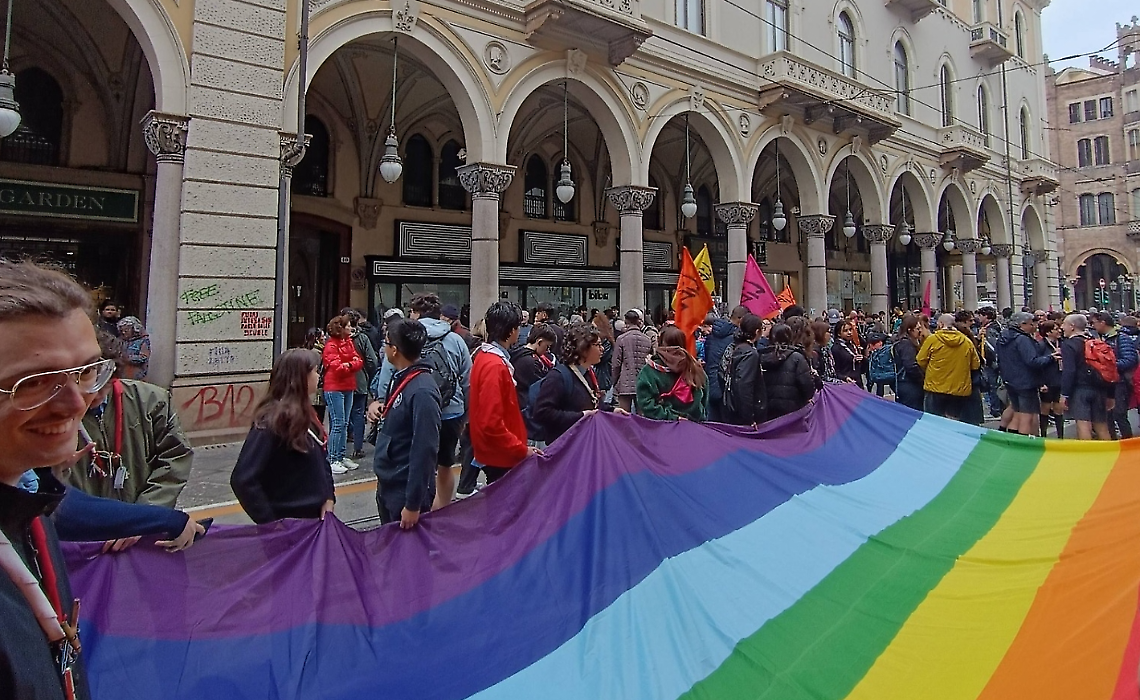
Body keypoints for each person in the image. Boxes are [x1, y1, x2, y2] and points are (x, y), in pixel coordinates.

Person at [0, 260, 203, 700]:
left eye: (87, 371)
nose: (76, 402)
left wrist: (156, 520)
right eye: (34, 383)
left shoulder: (31, 494)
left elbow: (67, 509)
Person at [370, 293, 471, 510]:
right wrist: (466, 414)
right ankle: (440, 511)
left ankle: (415, 502)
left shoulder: (406, 336)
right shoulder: (455, 339)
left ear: (416, 313)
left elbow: (388, 374)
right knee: (445, 464)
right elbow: (467, 379)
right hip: (451, 412)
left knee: (415, 458)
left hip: (411, 409)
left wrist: (381, 402)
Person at [69, 330, 194, 507]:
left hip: (141, 520)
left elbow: (175, 458)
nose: (94, 393)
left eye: (104, 383)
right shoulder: (60, 413)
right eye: (87, 381)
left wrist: (144, 515)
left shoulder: (152, 401)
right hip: (85, 525)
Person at [230, 349, 335, 524]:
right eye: (315, 371)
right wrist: (271, 524)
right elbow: (243, 478)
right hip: (289, 526)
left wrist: (328, 496)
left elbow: (321, 458)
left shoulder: (306, 414)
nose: (319, 377)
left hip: (315, 520)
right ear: (300, 377)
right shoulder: (273, 420)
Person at [370, 319, 442, 528]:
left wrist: (413, 503)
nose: (383, 349)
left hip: (404, 488)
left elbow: (425, 448)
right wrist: (379, 406)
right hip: (390, 481)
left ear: (394, 350)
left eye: (386, 343)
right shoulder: (402, 377)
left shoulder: (422, 391)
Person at [469, 302, 540, 484]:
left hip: (496, 451)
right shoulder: (495, 365)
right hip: (501, 454)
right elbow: (491, 422)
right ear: (511, 331)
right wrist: (520, 449)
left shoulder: (485, 357)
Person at [533, 323, 624, 443]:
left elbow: (593, 404)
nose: (602, 349)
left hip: (582, 444)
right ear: (583, 349)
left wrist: (612, 410)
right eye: (597, 345)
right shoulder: (558, 377)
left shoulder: (587, 373)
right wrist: (580, 416)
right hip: (563, 448)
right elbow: (542, 412)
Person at [995, 311, 1056, 436]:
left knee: (1017, 411)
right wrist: (1051, 358)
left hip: (1010, 379)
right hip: (1026, 381)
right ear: (1022, 324)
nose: (1034, 326)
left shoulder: (1003, 337)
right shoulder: (1022, 339)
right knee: (1026, 415)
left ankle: (1012, 439)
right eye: (1031, 324)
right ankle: (1023, 442)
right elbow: (1032, 361)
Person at [635, 325, 708, 422]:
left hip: (662, 430)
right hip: (694, 428)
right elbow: (704, 400)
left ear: (660, 343)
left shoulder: (649, 371)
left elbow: (646, 404)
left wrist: (670, 417)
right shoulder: (696, 369)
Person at [917, 314, 981, 420]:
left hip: (935, 387)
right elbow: (975, 365)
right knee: (954, 421)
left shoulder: (932, 340)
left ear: (941, 324)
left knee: (933, 421)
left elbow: (920, 360)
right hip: (959, 389)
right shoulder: (966, 341)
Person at [321, 314, 363, 474]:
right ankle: (333, 458)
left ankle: (340, 455)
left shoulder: (348, 342)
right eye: (348, 326)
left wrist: (349, 364)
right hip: (334, 387)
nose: (351, 328)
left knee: (344, 423)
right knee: (338, 423)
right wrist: (351, 364)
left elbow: (358, 361)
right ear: (341, 328)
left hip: (348, 386)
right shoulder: (331, 345)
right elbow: (337, 367)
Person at [1060, 314, 1111, 440]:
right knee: (1102, 426)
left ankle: (1087, 457)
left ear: (1072, 327)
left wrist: (1064, 394)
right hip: (1099, 387)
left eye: (1064, 324)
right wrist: (1111, 394)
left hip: (1080, 389)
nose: (1062, 327)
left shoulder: (1069, 344)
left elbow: (1069, 371)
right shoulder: (1094, 340)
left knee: (1083, 425)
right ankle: (1110, 455)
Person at [1090, 311, 1138, 439]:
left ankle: (1128, 444)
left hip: (1119, 382)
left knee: (1119, 414)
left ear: (1103, 322)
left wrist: (1109, 366)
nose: (1093, 326)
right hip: (1106, 383)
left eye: (1094, 323)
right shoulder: (1099, 338)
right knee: (1108, 415)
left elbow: (1130, 359)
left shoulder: (1121, 338)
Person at [758, 323, 817, 419]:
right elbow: (806, 383)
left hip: (767, 407)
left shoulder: (762, 356)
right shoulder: (797, 357)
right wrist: (808, 396)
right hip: (793, 407)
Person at [344, 310, 379, 461]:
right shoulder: (362, 338)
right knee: (358, 413)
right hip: (360, 381)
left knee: (340, 415)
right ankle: (357, 448)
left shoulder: (336, 338)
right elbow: (373, 360)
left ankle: (337, 449)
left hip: (340, 382)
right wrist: (367, 373)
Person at [704, 305, 748, 422]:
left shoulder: (712, 335)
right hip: (726, 385)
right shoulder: (736, 338)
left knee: (714, 425)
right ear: (741, 319)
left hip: (710, 382)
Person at [721, 314, 767, 426]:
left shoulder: (733, 347)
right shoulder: (750, 354)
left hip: (730, 407)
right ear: (757, 332)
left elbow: (721, 372)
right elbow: (744, 385)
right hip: (742, 413)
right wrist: (749, 418)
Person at [510, 323, 556, 433]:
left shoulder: (518, 354)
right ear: (539, 342)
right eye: (547, 346)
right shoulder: (531, 362)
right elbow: (541, 386)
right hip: (527, 410)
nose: (548, 351)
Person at [612, 309, 654, 413]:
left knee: (623, 414)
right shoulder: (647, 339)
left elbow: (616, 364)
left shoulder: (621, 339)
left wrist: (615, 381)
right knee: (641, 416)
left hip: (625, 382)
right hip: (642, 381)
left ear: (626, 322)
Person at [1037, 320, 1065, 438]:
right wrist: (1041, 383)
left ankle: (1060, 437)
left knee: (1059, 409)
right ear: (1048, 332)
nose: (1059, 331)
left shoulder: (1062, 343)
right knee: (1045, 408)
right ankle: (1043, 435)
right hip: (1048, 380)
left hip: (1060, 379)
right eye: (1055, 329)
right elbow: (1038, 364)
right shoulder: (1041, 345)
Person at [303, 327, 326, 423]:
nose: (325, 338)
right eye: (323, 336)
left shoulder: (307, 351)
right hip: (317, 392)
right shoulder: (317, 353)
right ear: (317, 338)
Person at [116, 316, 151, 381]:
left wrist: (128, 358)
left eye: (126, 330)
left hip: (137, 375)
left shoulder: (143, 340)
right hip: (121, 374)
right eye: (122, 330)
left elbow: (144, 357)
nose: (123, 332)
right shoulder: (121, 340)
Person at [831, 320, 864, 387]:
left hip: (857, 382)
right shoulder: (836, 348)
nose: (849, 333)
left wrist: (863, 359)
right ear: (839, 333)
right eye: (845, 331)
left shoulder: (852, 345)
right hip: (845, 384)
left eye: (850, 330)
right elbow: (835, 370)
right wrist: (844, 378)